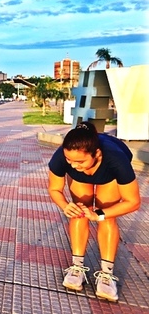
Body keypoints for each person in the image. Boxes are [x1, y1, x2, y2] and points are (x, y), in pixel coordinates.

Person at [48, 121, 141, 302]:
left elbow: (133, 202)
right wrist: (66, 206)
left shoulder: (116, 160)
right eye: (69, 160)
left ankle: (106, 275)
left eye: (80, 161)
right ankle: (77, 268)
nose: (74, 165)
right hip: (82, 178)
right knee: (78, 211)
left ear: (96, 154)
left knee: (106, 216)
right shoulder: (62, 156)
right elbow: (54, 189)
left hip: (108, 174)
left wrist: (99, 214)